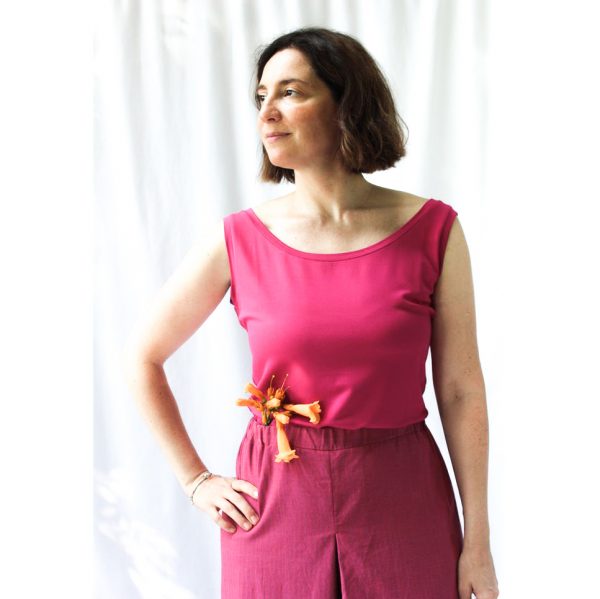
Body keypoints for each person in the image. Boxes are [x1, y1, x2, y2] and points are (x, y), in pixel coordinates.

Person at [124, 26, 499, 599]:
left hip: (404, 499)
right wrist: (196, 480)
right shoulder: (238, 239)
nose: (266, 113)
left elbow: (460, 390)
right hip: (274, 501)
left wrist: (479, 541)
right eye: (261, 96)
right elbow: (142, 359)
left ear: (347, 102)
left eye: (291, 92)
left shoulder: (434, 231)